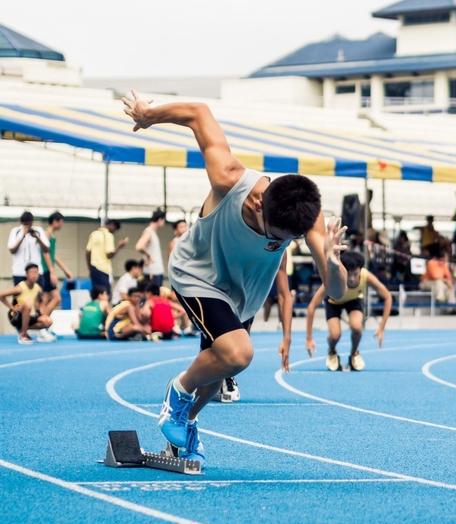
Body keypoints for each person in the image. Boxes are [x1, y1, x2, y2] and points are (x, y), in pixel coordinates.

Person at [122, 90, 348, 466]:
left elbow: (337, 292)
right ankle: (176, 392)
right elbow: (198, 111)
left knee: (217, 366)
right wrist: (149, 115)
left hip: (241, 293)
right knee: (238, 353)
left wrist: (334, 260)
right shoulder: (229, 178)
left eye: (285, 241)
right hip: (196, 273)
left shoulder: (307, 220)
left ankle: (185, 423)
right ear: (260, 203)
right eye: (275, 236)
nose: (278, 244)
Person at [305, 251, 392, 371]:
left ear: (360, 270)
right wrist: (309, 338)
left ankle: (354, 353)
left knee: (357, 328)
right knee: (335, 335)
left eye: (355, 274)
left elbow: (387, 297)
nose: (351, 279)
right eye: (348, 274)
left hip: (354, 300)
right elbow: (311, 307)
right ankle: (332, 351)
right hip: (333, 302)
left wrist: (381, 328)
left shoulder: (366, 276)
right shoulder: (333, 279)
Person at [0, 263, 54, 344]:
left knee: (48, 321)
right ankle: (23, 335)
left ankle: (23, 329)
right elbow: (1, 295)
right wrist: (12, 307)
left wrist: (42, 314)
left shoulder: (38, 288)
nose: (34, 275)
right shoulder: (20, 288)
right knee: (27, 304)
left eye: (36, 272)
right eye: (31, 272)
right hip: (16, 316)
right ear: (26, 274)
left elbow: (41, 303)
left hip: (29, 316)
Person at [41, 211, 73, 314]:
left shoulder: (52, 235)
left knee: (46, 298)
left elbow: (53, 255)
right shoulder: (47, 234)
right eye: (61, 222)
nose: (62, 225)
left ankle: (42, 324)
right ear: (55, 221)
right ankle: (42, 320)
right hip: (45, 270)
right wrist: (51, 271)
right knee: (56, 298)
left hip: (47, 270)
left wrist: (65, 269)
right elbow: (45, 253)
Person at [86, 219, 128, 295]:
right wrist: (119, 246)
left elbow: (88, 252)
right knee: (106, 295)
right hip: (103, 270)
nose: (114, 231)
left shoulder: (94, 234)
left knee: (96, 295)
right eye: (115, 229)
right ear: (112, 225)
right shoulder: (109, 235)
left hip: (94, 269)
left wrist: (90, 269)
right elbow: (109, 255)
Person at [7, 211, 49, 286]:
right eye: (25, 224)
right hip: (19, 271)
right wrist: (22, 236)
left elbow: (46, 249)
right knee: (19, 296)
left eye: (29, 224)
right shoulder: (15, 231)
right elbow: (12, 250)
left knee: (38, 295)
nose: (28, 226)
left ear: (32, 222)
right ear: (22, 222)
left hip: (36, 272)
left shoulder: (38, 231)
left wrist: (37, 238)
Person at [136, 209, 167, 286]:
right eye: (164, 220)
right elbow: (139, 246)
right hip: (152, 271)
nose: (164, 223)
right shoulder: (149, 231)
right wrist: (148, 256)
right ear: (160, 219)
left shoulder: (152, 232)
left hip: (156, 270)